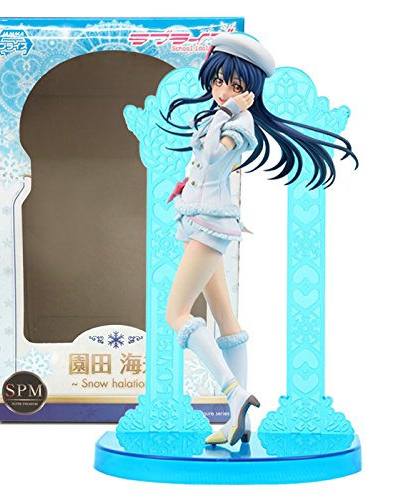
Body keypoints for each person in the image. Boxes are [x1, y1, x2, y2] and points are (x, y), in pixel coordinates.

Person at [160, 32, 358, 445]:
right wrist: (186, 186)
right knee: (225, 318)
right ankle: (238, 422)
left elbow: (215, 156)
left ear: (250, 91)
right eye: (219, 82)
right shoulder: (219, 117)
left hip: (210, 225)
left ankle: (234, 392)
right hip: (196, 219)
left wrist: (230, 111)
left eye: (235, 85)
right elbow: (202, 166)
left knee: (176, 313)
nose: (223, 92)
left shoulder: (239, 123)